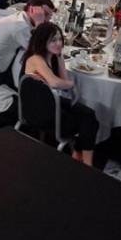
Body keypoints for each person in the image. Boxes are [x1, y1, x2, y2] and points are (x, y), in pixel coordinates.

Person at [22, 22, 98, 165]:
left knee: (90, 115)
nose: (58, 43)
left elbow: (63, 82)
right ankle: (84, 161)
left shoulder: (56, 56)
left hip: (52, 102)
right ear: (42, 41)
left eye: (59, 39)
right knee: (87, 122)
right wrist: (73, 85)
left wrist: (67, 83)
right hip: (39, 111)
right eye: (53, 40)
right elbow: (55, 83)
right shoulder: (35, 59)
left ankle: (80, 155)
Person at [0, 0, 53, 104]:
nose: (48, 20)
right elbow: (39, 51)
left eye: (49, 16)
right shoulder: (20, 26)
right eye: (44, 14)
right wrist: (39, 24)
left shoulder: (20, 17)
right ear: (32, 10)